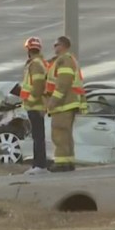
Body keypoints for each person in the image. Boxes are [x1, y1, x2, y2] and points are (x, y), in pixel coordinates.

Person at [44, 36, 87, 173]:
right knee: (66, 134)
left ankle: (61, 163)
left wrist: (52, 102)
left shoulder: (64, 60)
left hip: (63, 104)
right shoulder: (69, 60)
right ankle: (68, 162)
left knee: (59, 133)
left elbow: (63, 84)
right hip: (69, 103)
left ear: (63, 46)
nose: (55, 48)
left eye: (56, 45)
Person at [20, 37, 49, 175]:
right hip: (37, 105)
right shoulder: (39, 62)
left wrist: (30, 100)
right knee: (38, 136)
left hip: (35, 106)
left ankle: (39, 165)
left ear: (28, 50)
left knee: (37, 137)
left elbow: (38, 86)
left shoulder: (36, 64)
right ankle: (38, 165)